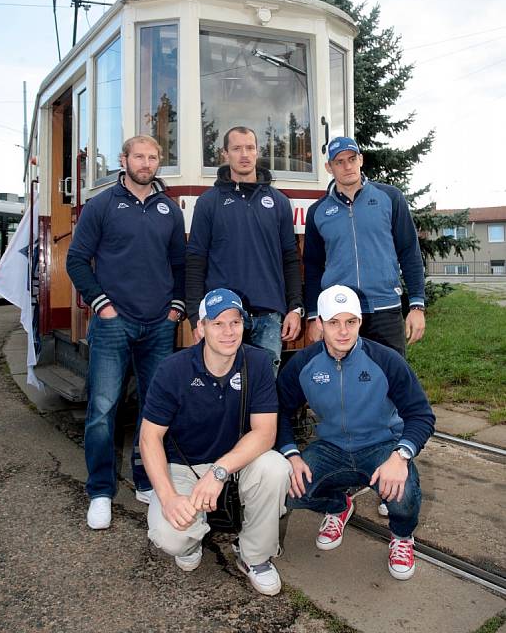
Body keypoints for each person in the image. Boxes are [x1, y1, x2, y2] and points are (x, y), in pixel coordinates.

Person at [66, 135, 186, 530]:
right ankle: (100, 491)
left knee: (155, 409)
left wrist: (175, 310)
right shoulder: (101, 206)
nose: (146, 163)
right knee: (103, 409)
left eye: (153, 157)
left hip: (158, 326)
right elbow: (77, 261)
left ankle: (145, 479)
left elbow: (180, 266)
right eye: (139, 156)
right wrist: (104, 305)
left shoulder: (169, 210)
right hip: (114, 323)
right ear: (124, 159)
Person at [139, 288, 291, 596]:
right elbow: (148, 436)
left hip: (232, 464)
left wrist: (218, 472)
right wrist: (168, 497)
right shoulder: (173, 369)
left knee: (276, 468)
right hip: (183, 465)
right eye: (217, 323)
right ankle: (190, 541)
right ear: (201, 328)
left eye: (234, 322)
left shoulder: (258, 363)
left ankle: (254, 557)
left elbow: (265, 433)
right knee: (171, 535)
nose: (228, 331)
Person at [277, 285, 435, 580]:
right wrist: (291, 453)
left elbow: (421, 415)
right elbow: (278, 412)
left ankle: (402, 537)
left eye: (351, 321)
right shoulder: (303, 363)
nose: (343, 331)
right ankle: (338, 506)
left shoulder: (385, 360)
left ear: (360, 322)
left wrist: (400, 456)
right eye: (334, 322)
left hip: (381, 447)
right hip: (330, 448)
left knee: (404, 495)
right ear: (319, 324)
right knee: (284, 488)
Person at [186, 126, 303, 375]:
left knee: (263, 394)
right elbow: (196, 262)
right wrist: (196, 315)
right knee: (222, 394)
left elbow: (290, 260)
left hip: (269, 317)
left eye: (250, 148)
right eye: (237, 148)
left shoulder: (279, 202)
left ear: (257, 151)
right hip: (222, 317)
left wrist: (294, 308)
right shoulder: (208, 203)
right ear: (225, 153)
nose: (244, 154)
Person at [303, 136, 425, 357]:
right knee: (345, 382)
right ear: (329, 167)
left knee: (393, 381)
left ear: (361, 159)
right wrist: (314, 315)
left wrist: (416, 305)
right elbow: (313, 266)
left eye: (351, 158)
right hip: (340, 314)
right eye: (339, 162)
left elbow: (409, 252)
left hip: (385, 309)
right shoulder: (317, 212)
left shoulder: (390, 198)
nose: (347, 166)